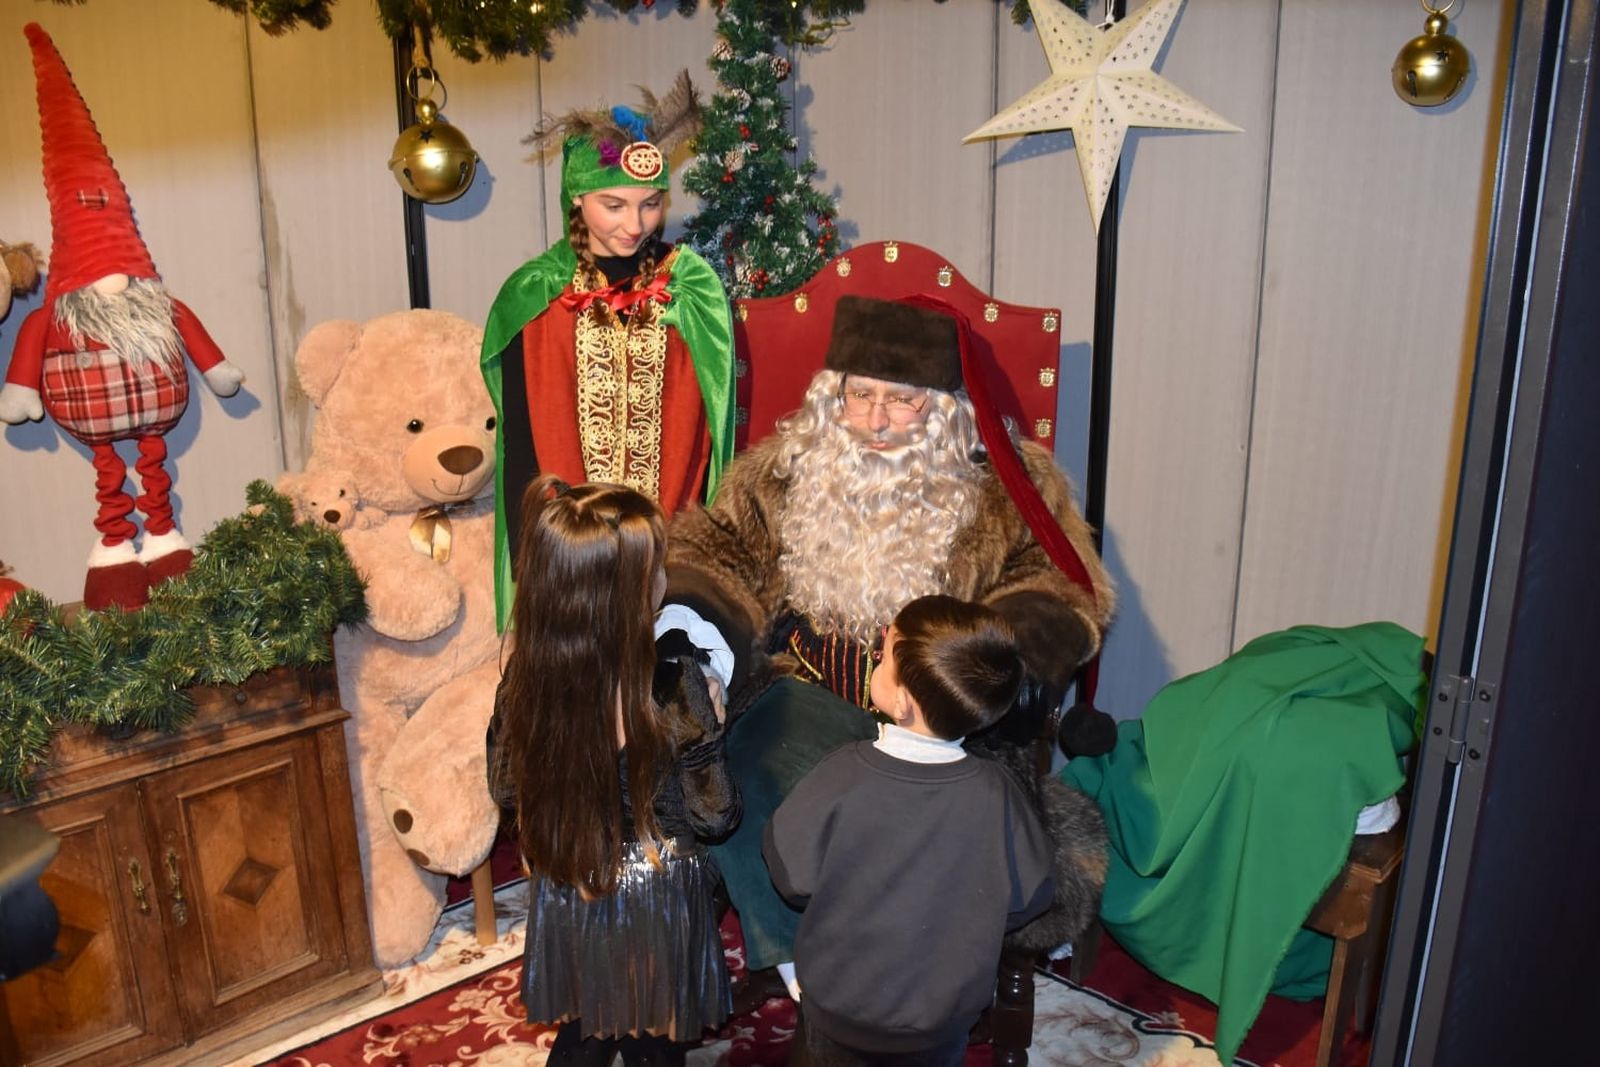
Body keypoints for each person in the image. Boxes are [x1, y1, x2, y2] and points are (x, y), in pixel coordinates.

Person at [661, 293, 1115, 1007]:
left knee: (883, 802)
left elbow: (1059, 587)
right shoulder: (781, 473)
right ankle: (806, 965)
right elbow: (715, 554)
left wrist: (1013, 657)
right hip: (799, 694)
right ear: (831, 393)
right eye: (860, 395)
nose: (873, 422)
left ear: (943, 405)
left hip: (931, 722)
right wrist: (691, 636)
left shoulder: (1007, 486)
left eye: (901, 402)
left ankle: (882, 973)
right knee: (738, 761)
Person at [487, 476, 742, 1066]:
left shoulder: (525, 676)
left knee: (588, 1030)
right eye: (656, 568)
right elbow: (717, 815)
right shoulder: (677, 683)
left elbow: (503, 786)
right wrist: (713, 723)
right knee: (654, 1040)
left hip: (569, 877)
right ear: (627, 595)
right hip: (656, 887)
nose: (665, 579)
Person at [481, 72, 735, 632]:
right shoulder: (538, 292)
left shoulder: (688, 284)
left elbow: (708, 424)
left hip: (666, 551)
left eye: (650, 204)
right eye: (613, 205)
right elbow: (522, 434)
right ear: (577, 197)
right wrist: (533, 553)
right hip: (572, 558)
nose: (634, 224)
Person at [764, 595, 1056, 1066]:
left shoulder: (842, 775)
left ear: (902, 702)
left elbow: (789, 875)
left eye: (883, 655)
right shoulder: (996, 793)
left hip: (839, 1016)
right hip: (941, 1024)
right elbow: (1031, 896)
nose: (875, 653)